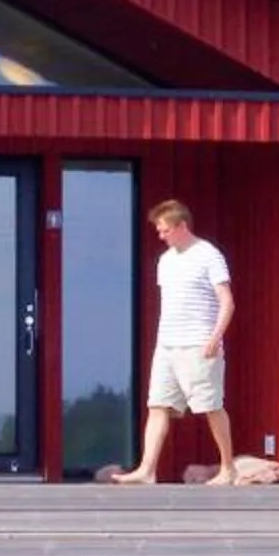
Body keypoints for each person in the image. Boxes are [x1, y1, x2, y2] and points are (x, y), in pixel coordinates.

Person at [112, 199, 236, 487]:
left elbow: (227, 302)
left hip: (199, 344)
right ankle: (146, 470)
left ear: (182, 226)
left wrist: (214, 338)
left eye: (165, 230)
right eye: (159, 230)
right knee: (158, 405)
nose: (161, 236)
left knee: (210, 405)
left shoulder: (208, 255)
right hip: (167, 344)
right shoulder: (165, 261)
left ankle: (228, 469)